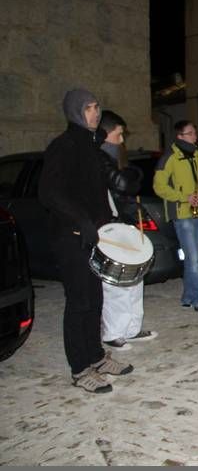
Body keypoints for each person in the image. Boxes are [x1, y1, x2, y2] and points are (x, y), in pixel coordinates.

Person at [39, 89, 133, 393]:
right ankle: (80, 369)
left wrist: (109, 224)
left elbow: (99, 193)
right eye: (89, 108)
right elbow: (49, 193)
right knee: (78, 302)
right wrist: (81, 221)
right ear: (76, 112)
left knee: (95, 298)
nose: (95, 113)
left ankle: (96, 356)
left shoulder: (92, 147)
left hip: (95, 237)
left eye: (96, 107)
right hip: (71, 238)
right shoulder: (63, 146)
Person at [98, 110, 158, 350]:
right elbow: (121, 186)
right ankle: (113, 333)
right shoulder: (99, 161)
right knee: (116, 284)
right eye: (118, 135)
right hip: (109, 228)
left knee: (135, 280)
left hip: (125, 223)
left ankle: (131, 329)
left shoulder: (116, 160)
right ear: (105, 134)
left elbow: (129, 189)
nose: (122, 141)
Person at [153, 120, 198, 314]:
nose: (195, 136)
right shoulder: (169, 158)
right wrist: (184, 197)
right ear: (180, 136)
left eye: (194, 133)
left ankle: (188, 297)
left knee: (194, 258)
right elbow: (159, 186)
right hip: (182, 213)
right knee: (193, 259)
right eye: (190, 133)